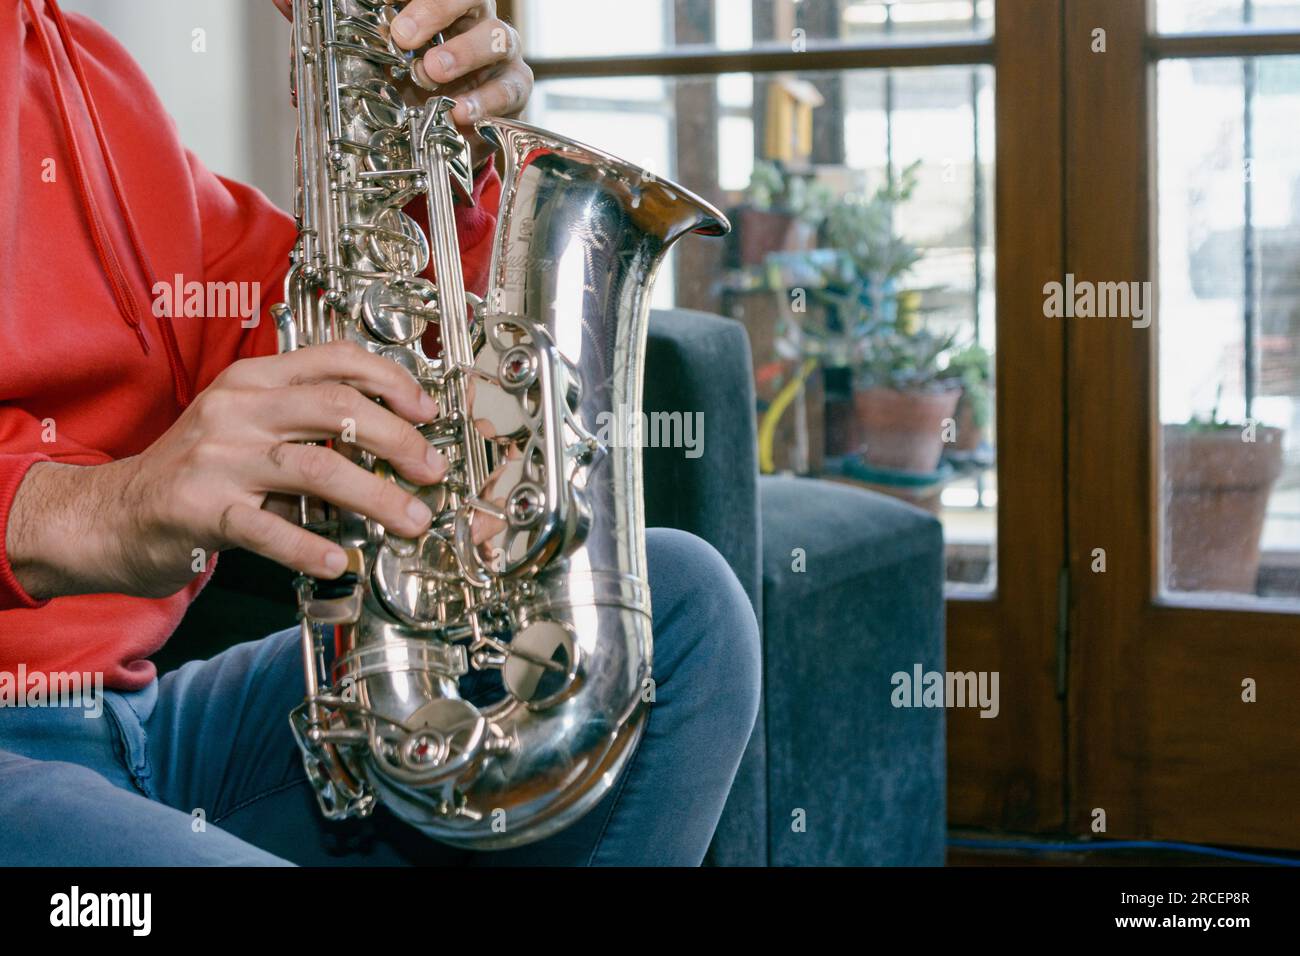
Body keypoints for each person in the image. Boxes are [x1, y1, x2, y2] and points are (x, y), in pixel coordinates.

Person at [0, 0, 761, 866]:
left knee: (687, 608)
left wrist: (427, 151)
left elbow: (319, 340)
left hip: (131, 727)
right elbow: (122, 498)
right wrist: (93, 510)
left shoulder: (80, 65)